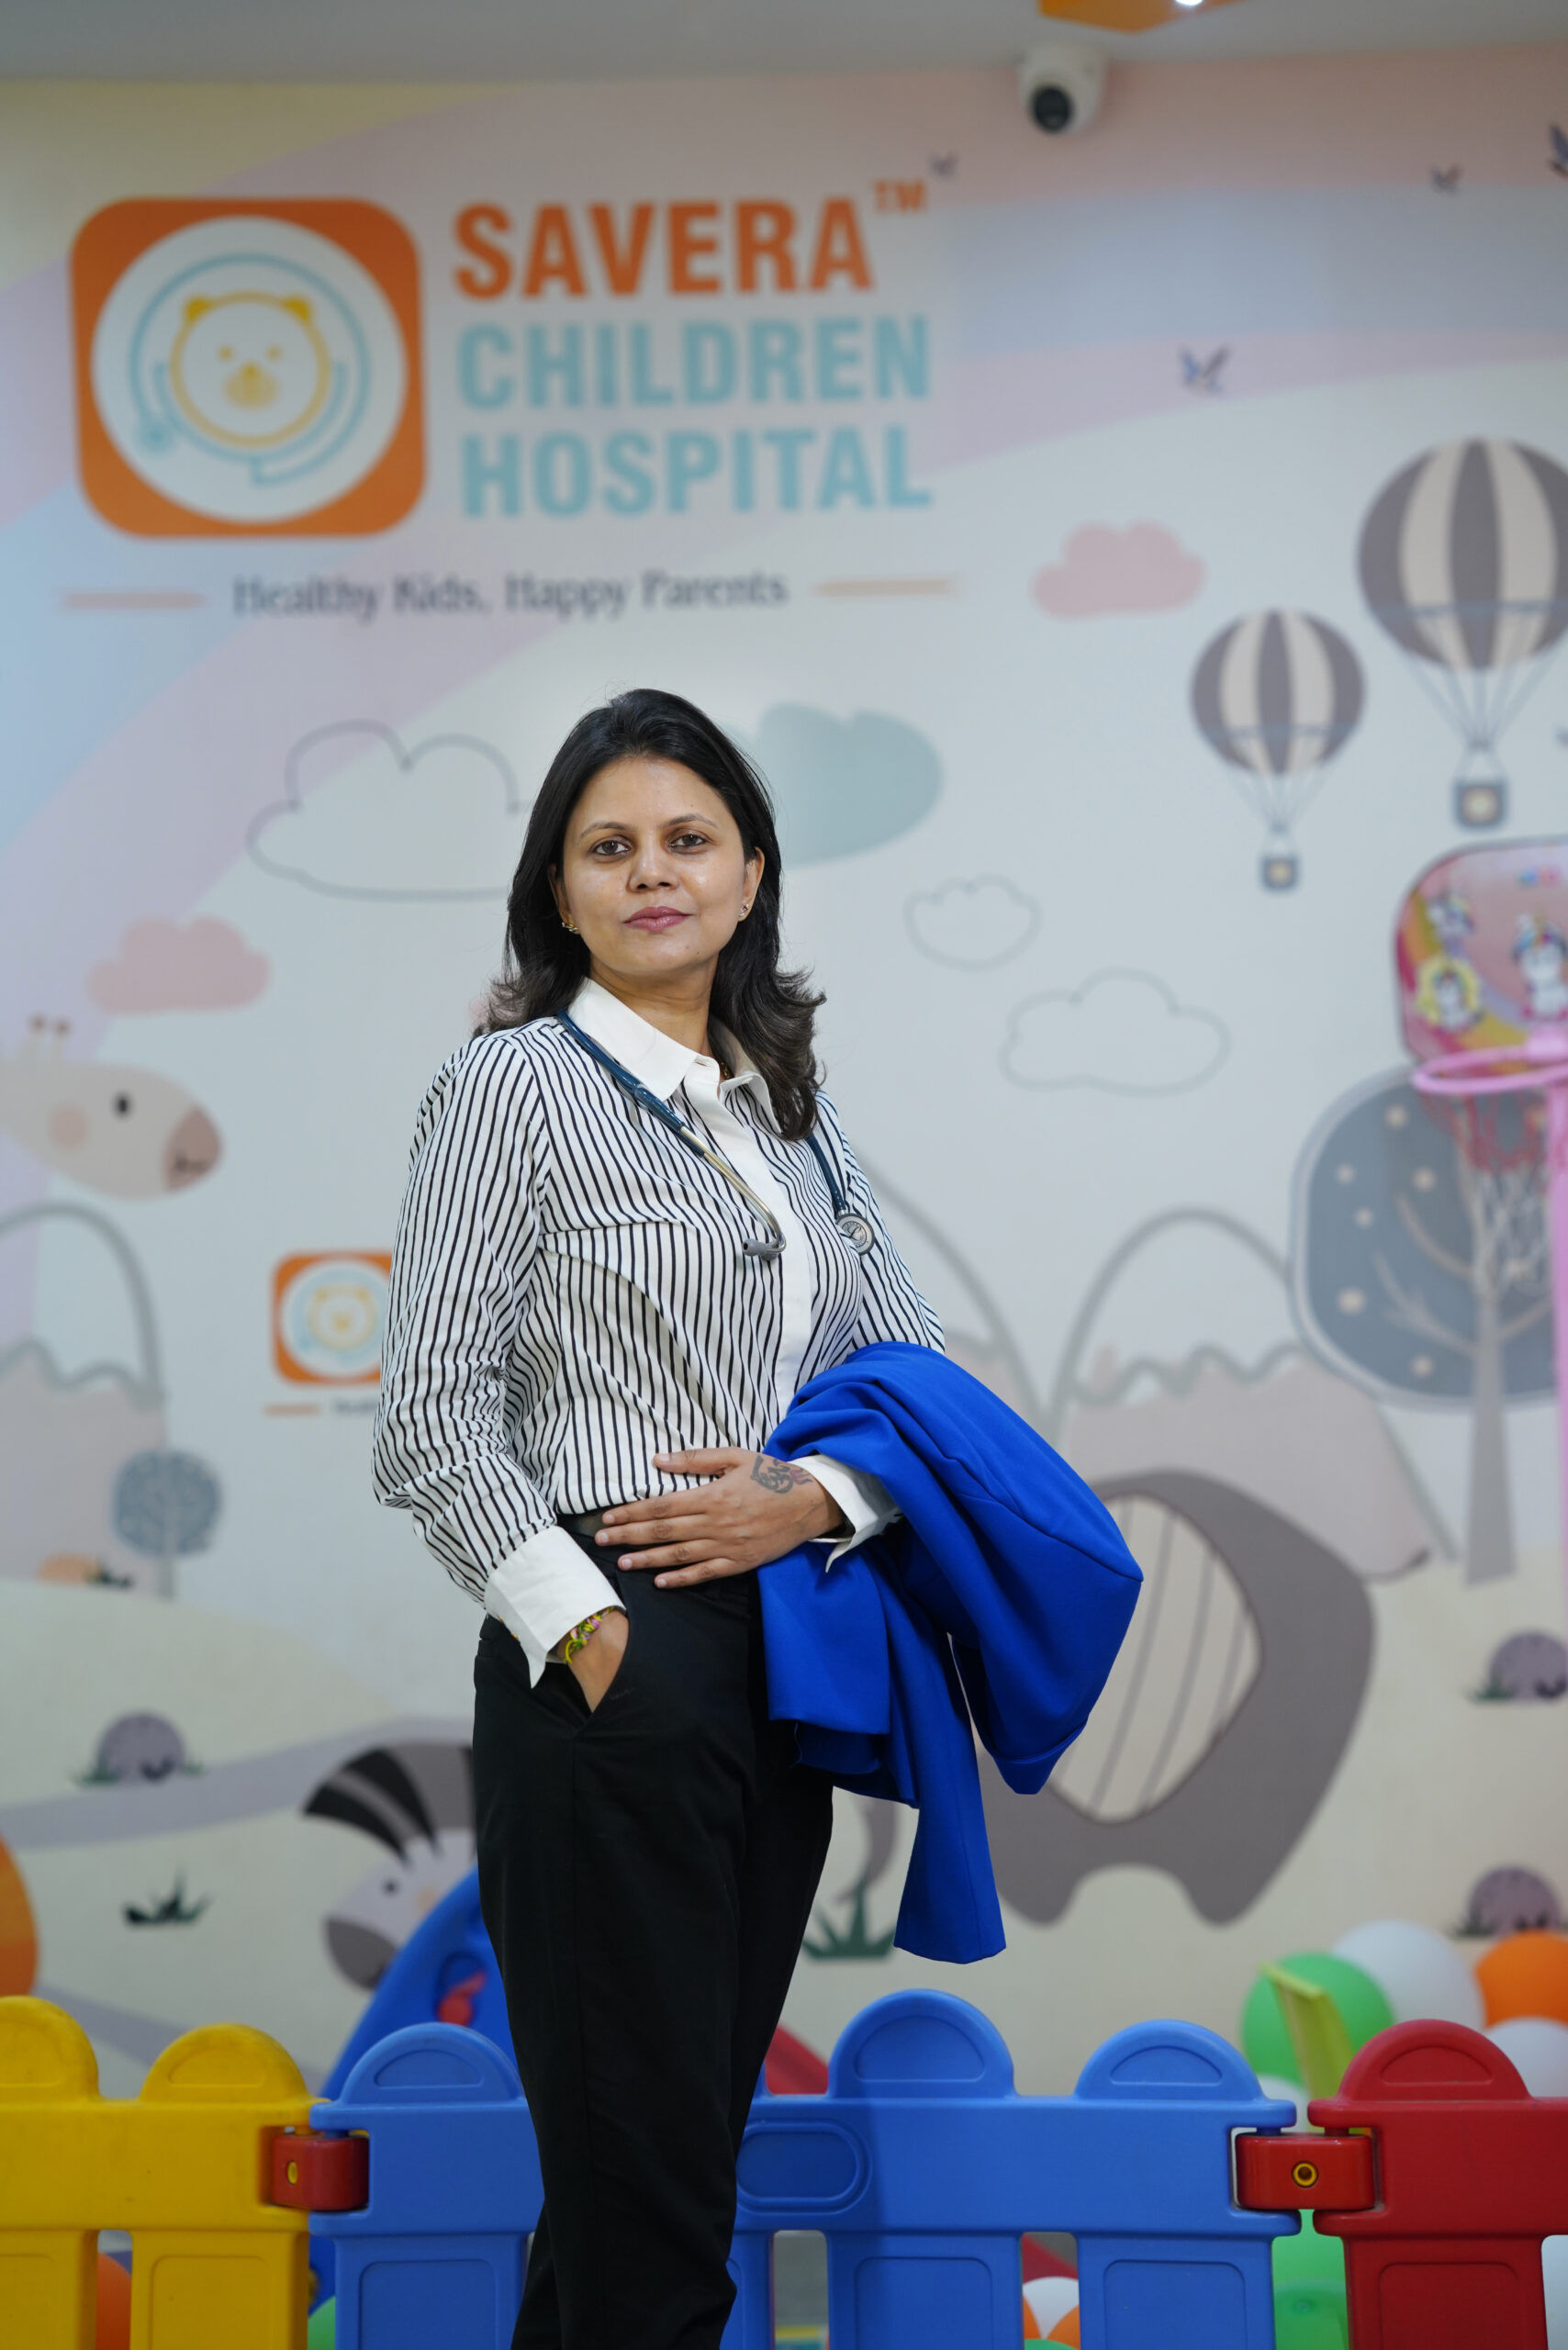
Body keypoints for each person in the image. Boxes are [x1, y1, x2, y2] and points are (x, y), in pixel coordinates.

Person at [374, 687, 941, 2350]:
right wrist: (592, 1634)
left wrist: (810, 1499)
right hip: (612, 1664)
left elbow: (911, 1380)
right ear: (559, 894)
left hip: (786, 1662)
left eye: (689, 840)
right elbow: (430, 1417)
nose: (651, 873)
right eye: (607, 847)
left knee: (654, 2183)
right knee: (653, 2208)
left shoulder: (791, 1115)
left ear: (750, 876)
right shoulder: (510, 1087)